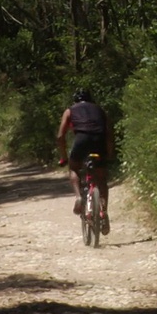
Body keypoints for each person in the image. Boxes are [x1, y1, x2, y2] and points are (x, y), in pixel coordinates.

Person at [56, 88, 114, 235]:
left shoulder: (70, 111)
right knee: (101, 179)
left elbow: (60, 136)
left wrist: (63, 157)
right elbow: (108, 133)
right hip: (99, 141)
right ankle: (104, 212)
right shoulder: (100, 110)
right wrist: (109, 153)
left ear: (75, 100)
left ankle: (78, 197)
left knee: (74, 168)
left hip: (81, 140)